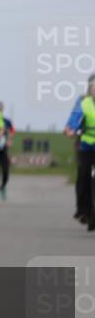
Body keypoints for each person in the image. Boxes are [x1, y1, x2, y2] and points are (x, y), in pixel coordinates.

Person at [65, 75, 95, 230]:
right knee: (83, 175)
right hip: (85, 145)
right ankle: (83, 210)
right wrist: (70, 129)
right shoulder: (83, 102)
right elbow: (74, 119)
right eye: (93, 86)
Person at [0, 100, 15, 201]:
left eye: (0, 110)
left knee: (5, 171)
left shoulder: (6, 121)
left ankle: (3, 187)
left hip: (4, 149)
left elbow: (12, 131)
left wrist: (9, 140)